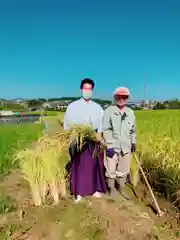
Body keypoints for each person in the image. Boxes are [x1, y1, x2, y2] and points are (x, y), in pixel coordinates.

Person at [64, 78, 107, 202]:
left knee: (95, 165)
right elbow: (67, 126)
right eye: (85, 88)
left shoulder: (98, 107)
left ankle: (95, 189)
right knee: (80, 166)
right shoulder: (72, 106)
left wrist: (99, 135)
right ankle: (79, 192)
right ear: (81, 90)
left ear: (92, 91)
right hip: (79, 140)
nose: (87, 91)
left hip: (93, 140)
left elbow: (101, 125)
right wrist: (73, 137)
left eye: (89, 89)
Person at [103, 87, 136, 200]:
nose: (121, 99)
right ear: (115, 97)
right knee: (110, 169)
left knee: (123, 170)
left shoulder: (130, 113)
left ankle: (121, 188)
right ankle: (112, 189)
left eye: (124, 97)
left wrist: (133, 142)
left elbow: (133, 131)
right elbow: (106, 129)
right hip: (112, 147)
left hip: (126, 147)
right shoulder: (109, 111)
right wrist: (109, 145)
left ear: (127, 98)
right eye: (119, 97)